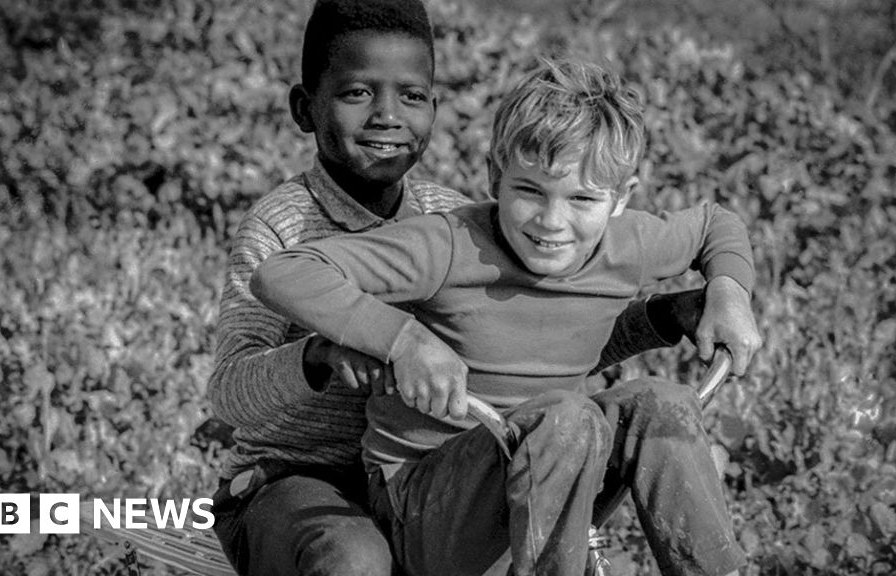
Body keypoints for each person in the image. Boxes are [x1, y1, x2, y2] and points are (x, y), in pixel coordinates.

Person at [252, 57, 762, 576]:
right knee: (566, 416)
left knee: (663, 402)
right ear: (496, 176)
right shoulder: (448, 245)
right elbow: (286, 272)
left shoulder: (631, 243)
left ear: (620, 199)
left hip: (557, 480)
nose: (551, 221)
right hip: (428, 509)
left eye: (582, 198)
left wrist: (728, 291)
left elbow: (713, 225)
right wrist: (403, 340)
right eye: (529, 191)